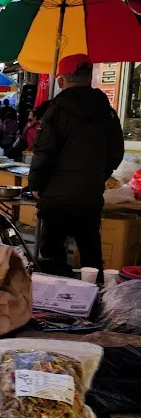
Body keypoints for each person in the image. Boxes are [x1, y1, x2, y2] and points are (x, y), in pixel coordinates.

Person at [29, 54, 125, 282]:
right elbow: (116, 152)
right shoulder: (107, 111)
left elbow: (43, 153)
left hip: (56, 196)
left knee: (52, 253)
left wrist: (35, 185)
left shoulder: (56, 110)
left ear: (61, 80)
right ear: (89, 77)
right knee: (90, 251)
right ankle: (94, 302)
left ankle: (55, 306)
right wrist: (99, 175)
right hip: (90, 195)